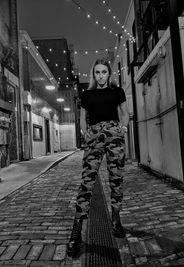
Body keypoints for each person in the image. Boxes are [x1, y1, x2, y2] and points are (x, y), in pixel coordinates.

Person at [67, 58, 129, 256]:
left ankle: (116, 218)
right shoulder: (87, 95)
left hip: (114, 134)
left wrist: (123, 128)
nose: (100, 75)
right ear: (93, 74)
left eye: (104, 72)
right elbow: (81, 119)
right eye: (97, 72)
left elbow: (125, 114)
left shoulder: (117, 91)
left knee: (116, 179)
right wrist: (86, 134)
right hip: (94, 137)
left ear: (109, 73)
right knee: (87, 181)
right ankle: (76, 231)